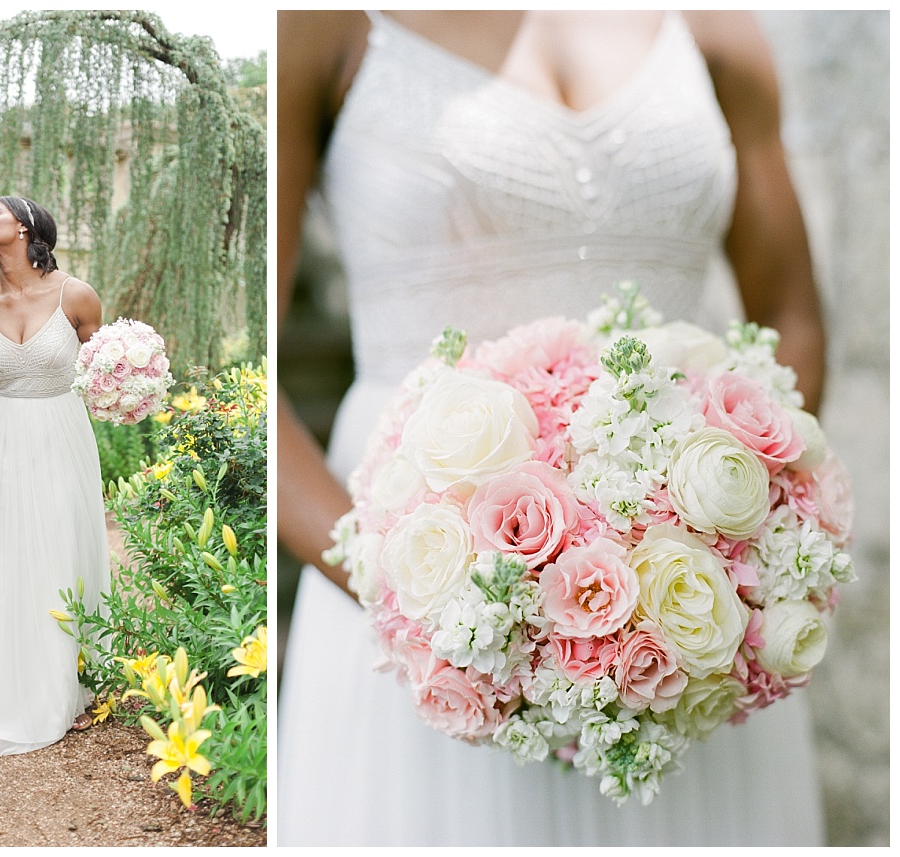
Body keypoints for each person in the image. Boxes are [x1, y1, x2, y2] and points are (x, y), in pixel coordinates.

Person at [277, 10, 827, 846]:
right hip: (416, 599)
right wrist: (431, 600)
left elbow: (790, 313)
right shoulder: (324, 26)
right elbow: (255, 369)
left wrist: (739, 536)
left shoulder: (715, 27)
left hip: (686, 626)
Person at [0, 196, 110, 755]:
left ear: (26, 228)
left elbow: (103, 373)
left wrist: (128, 388)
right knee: (3, 559)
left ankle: (67, 686)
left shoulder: (77, 296)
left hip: (62, 434)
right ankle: (0, 690)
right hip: (2, 440)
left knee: (57, 555)